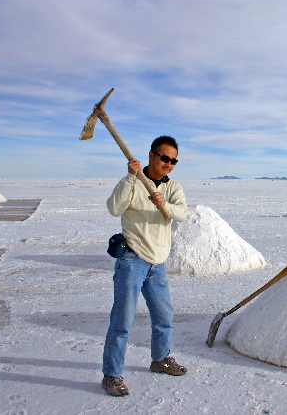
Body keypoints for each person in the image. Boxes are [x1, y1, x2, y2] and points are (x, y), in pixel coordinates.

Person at [101, 135, 188, 397]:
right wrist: (130, 178)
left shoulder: (173, 188)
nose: (168, 164)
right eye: (164, 158)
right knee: (122, 321)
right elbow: (114, 209)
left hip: (157, 264)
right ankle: (112, 375)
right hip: (132, 260)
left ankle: (160, 360)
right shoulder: (133, 182)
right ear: (151, 156)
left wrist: (166, 206)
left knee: (164, 317)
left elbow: (182, 213)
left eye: (173, 160)